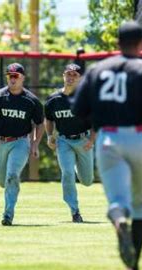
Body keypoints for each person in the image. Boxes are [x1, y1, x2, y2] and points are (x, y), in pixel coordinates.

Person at [71, 21, 142, 270]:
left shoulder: (98, 70)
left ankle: (119, 222)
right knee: (140, 205)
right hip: (141, 137)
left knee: (118, 201)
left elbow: (78, 109)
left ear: (117, 43)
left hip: (108, 139)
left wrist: (102, 118)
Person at [0, 63, 44, 226]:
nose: (12, 79)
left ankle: (8, 214)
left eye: (16, 76)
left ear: (22, 78)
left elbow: (39, 123)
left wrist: (34, 144)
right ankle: (7, 191)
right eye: (10, 76)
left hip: (20, 142)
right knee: (2, 181)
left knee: (12, 175)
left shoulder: (31, 101)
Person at [44, 63, 94, 223]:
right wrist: (49, 135)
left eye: (75, 75)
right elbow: (49, 119)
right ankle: (75, 211)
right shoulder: (54, 99)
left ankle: (75, 168)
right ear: (63, 76)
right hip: (63, 140)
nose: (71, 77)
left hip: (83, 139)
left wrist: (92, 140)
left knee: (87, 181)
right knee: (67, 173)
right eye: (68, 74)